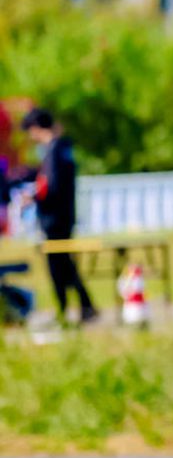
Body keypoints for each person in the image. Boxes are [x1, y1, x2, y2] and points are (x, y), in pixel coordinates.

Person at [22, 108, 97, 325]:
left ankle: (68, 309)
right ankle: (84, 306)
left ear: (36, 128)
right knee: (65, 264)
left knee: (58, 266)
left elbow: (51, 187)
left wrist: (33, 196)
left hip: (56, 219)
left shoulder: (54, 150)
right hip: (62, 217)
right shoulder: (61, 148)